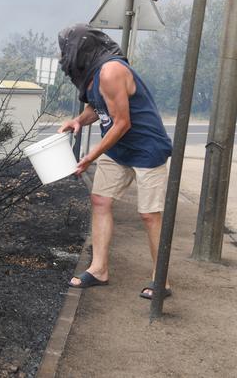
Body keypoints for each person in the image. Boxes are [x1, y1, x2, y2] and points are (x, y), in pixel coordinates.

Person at [57, 24, 173, 300]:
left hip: (147, 148)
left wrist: (90, 156)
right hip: (118, 148)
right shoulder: (91, 75)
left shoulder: (110, 71)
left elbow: (121, 122)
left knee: (149, 214)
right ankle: (99, 269)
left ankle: (161, 280)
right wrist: (77, 121)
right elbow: (96, 110)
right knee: (100, 200)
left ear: (80, 49)